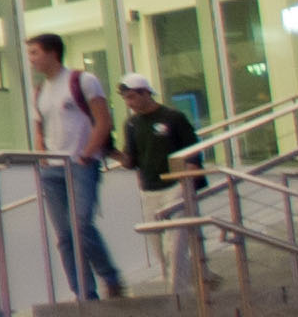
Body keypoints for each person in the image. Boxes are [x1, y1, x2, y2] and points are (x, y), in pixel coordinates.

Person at [27, 33, 124, 300]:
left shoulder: (82, 81)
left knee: (81, 224)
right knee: (64, 235)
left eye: (35, 52)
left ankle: (109, 276)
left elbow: (103, 120)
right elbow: (39, 128)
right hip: (52, 168)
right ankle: (83, 292)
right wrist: (42, 154)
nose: (31, 59)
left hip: (81, 163)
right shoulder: (39, 91)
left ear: (52, 53)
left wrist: (87, 153)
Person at [118, 74, 204, 293]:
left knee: (175, 246)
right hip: (150, 188)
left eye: (132, 97)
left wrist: (190, 181)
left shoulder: (173, 118)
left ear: (146, 93)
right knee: (158, 247)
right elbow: (131, 160)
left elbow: (193, 151)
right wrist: (110, 151)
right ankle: (176, 287)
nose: (130, 103)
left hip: (176, 186)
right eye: (126, 99)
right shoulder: (131, 124)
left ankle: (177, 292)